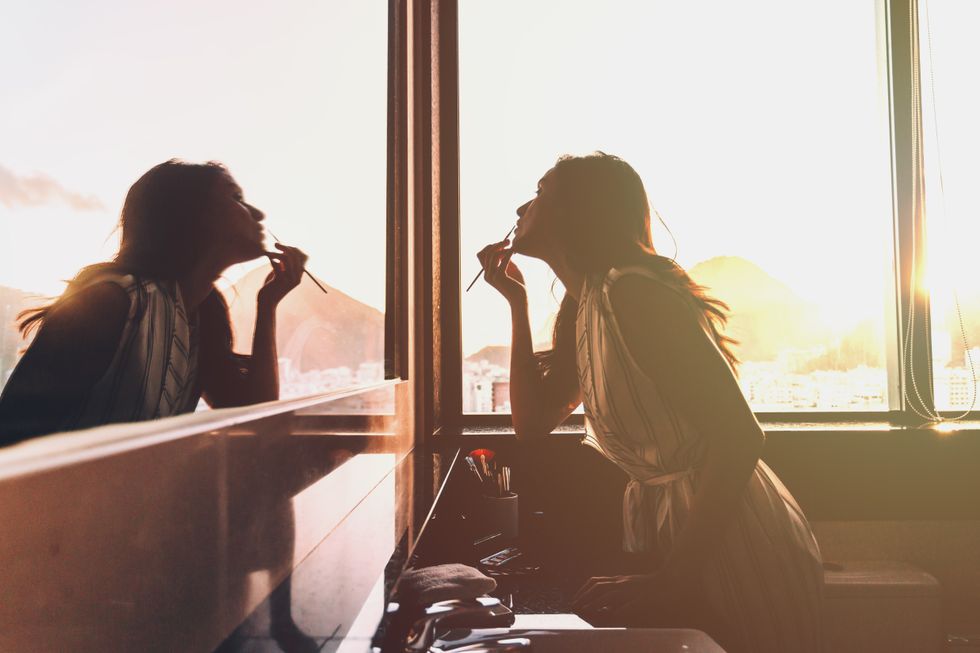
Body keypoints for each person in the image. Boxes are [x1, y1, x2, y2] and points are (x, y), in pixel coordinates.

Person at [476, 152, 823, 653]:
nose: (521, 205)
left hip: (736, 538)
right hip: (687, 541)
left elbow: (741, 435)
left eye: (540, 191)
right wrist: (518, 304)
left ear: (580, 208)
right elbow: (530, 424)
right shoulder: (587, 304)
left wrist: (671, 578)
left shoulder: (633, 293)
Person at [0, 159, 308, 446]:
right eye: (235, 197)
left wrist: (268, 305)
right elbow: (11, 435)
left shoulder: (201, 317)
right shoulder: (110, 303)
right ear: (191, 214)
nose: (257, 213)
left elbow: (255, 414)